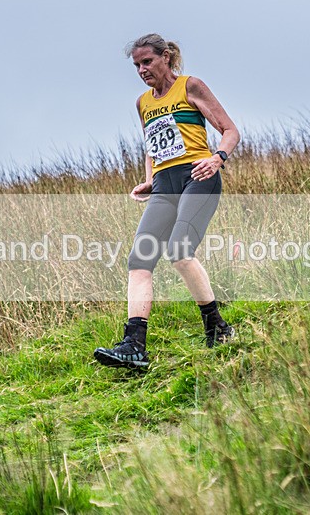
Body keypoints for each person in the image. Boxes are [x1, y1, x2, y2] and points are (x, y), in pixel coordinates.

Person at [93, 33, 240, 369]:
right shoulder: (143, 103)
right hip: (164, 185)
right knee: (138, 261)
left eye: (148, 62)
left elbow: (230, 130)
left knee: (178, 251)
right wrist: (150, 179)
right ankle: (134, 346)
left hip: (198, 177)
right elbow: (151, 145)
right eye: (137, 65)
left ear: (167, 58)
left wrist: (217, 158)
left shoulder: (190, 86)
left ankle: (217, 326)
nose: (142, 70)